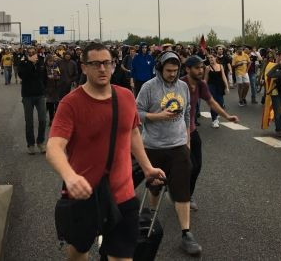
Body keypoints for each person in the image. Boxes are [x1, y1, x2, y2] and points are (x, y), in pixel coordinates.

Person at [46, 43, 165, 261]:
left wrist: (147, 168)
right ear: (83, 67)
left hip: (123, 193)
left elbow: (132, 134)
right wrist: (69, 176)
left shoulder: (126, 97)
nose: (102, 69)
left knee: (121, 257)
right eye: (95, 64)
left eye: (107, 63)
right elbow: (54, 147)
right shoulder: (70, 104)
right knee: (78, 253)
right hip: (84, 194)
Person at [135, 51, 202, 256]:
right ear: (159, 69)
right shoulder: (148, 87)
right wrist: (158, 116)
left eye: (175, 71)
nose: (172, 74)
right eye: (168, 71)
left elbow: (187, 114)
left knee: (182, 189)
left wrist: (188, 141)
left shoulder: (183, 87)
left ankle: (186, 233)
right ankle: (153, 219)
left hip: (178, 146)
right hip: (153, 147)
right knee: (155, 187)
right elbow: (136, 114)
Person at [182, 55, 239, 209]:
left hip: (192, 130)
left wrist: (227, 116)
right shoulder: (180, 85)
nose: (201, 70)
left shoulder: (201, 85)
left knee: (197, 166)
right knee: (185, 166)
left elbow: (211, 101)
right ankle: (179, 191)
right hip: (177, 133)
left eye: (202, 67)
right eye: (197, 68)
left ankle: (188, 194)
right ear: (188, 69)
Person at [18, 48, 48, 155]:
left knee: (43, 120)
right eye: (29, 52)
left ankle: (40, 142)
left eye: (33, 52)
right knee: (29, 121)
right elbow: (23, 76)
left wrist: (44, 88)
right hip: (27, 95)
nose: (32, 54)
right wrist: (30, 63)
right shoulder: (23, 63)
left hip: (40, 94)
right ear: (27, 54)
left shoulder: (41, 61)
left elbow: (43, 76)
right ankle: (30, 144)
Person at [262, 51, 281, 137]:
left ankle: (279, 123)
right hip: (275, 91)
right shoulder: (271, 65)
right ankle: (278, 129)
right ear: (278, 57)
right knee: (277, 111)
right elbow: (267, 77)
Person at [204, 53, 229, 128]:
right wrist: (204, 89)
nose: (210, 59)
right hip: (211, 87)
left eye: (212, 57)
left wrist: (227, 86)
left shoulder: (221, 66)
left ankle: (217, 114)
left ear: (215, 58)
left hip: (220, 86)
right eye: (209, 58)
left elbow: (224, 76)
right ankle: (214, 120)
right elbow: (205, 79)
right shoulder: (208, 68)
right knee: (213, 103)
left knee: (221, 103)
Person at [45, 55, 61, 125]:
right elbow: (43, 78)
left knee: (57, 105)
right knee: (50, 105)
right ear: (47, 61)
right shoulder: (44, 68)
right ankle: (51, 119)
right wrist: (47, 77)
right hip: (48, 89)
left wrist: (56, 77)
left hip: (56, 88)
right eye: (49, 61)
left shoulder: (56, 67)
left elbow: (59, 75)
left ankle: (56, 118)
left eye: (52, 61)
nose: (51, 63)